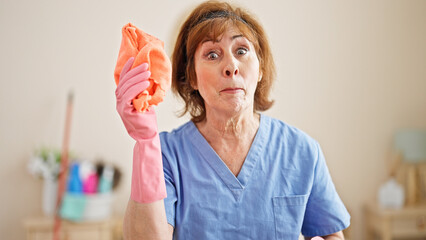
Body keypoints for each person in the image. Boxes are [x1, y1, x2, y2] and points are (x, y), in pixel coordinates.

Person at [115, 1, 350, 239]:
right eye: (212, 54)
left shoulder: (302, 151)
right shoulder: (165, 155)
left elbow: (332, 235)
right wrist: (145, 144)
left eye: (241, 51)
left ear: (260, 69)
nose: (231, 67)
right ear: (192, 77)